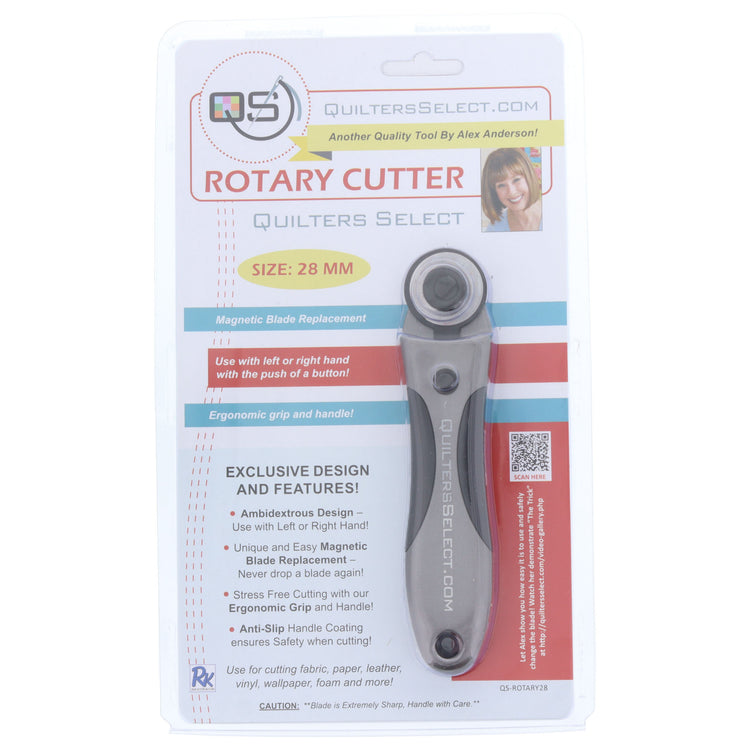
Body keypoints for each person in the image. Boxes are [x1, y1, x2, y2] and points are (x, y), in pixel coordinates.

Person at [481, 148, 542, 232]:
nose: (511, 191)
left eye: (516, 180)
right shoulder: (495, 228)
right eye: (501, 185)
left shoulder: (555, 214)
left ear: (530, 177)